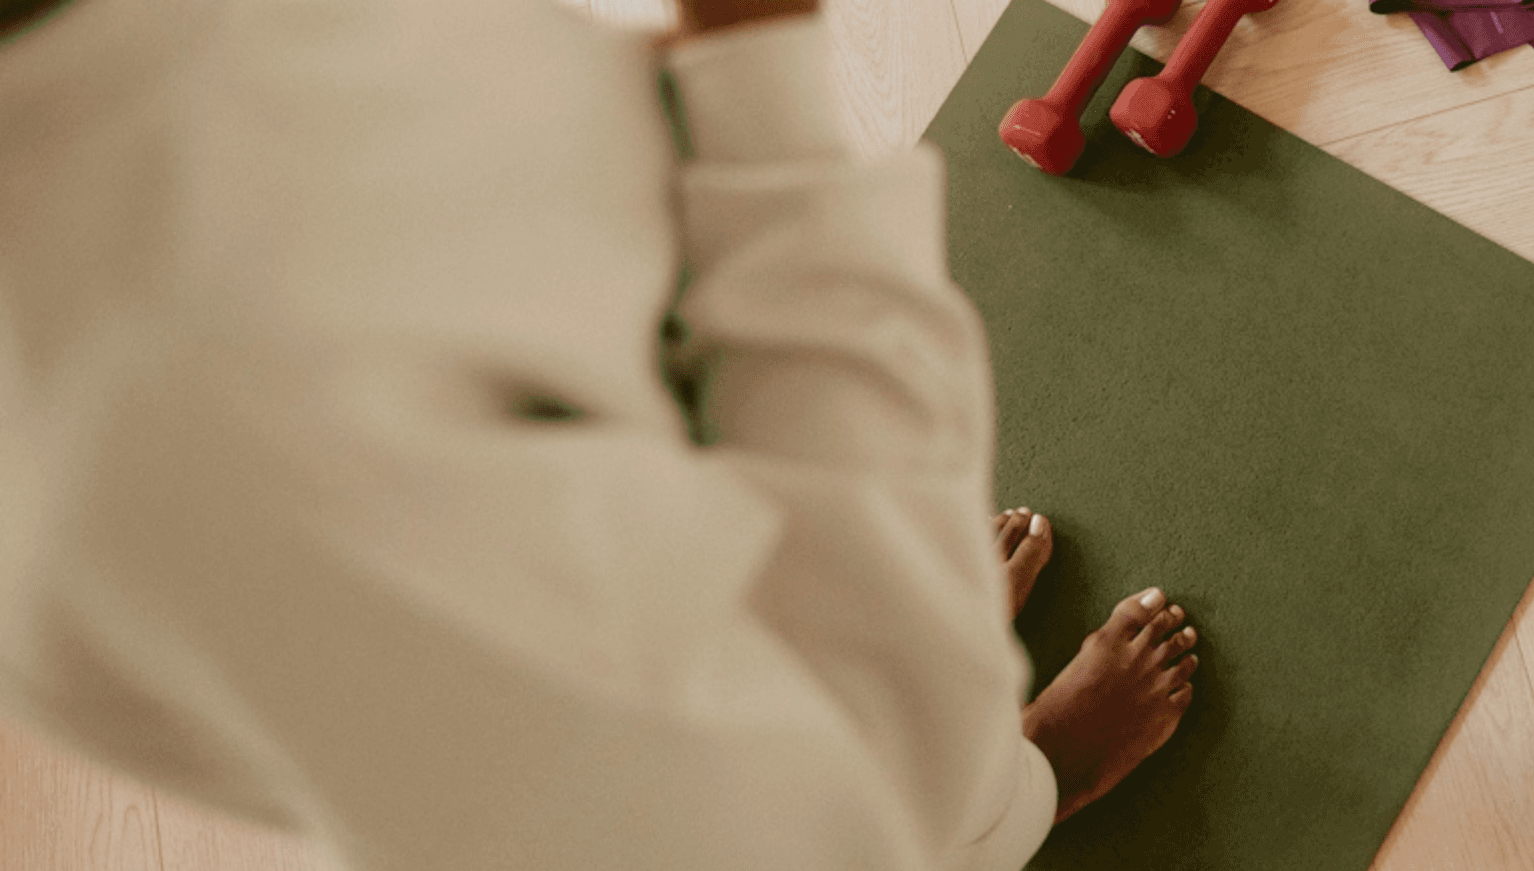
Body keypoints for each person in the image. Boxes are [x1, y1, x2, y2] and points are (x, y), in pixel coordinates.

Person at [0, 0, 1189, 867]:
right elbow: (828, 810)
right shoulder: (185, 428)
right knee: (913, 778)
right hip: (751, 806)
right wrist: (761, 81)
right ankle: (1032, 787)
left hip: (574, 502)